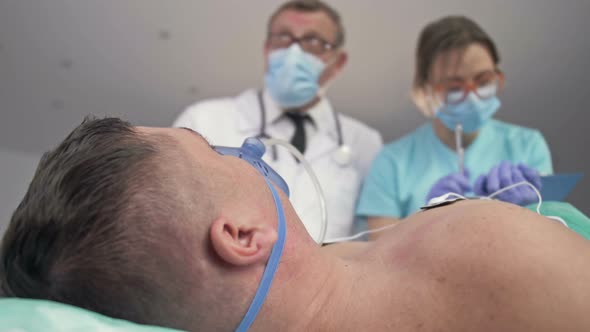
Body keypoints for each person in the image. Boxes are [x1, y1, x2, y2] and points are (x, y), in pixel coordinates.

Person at [2, 117, 590, 331]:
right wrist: (481, 224)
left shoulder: (342, 270)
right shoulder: (477, 249)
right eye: (213, 149)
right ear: (239, 236)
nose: (246, 149)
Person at [173, 0, 382, 242]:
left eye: (313, 42)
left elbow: (368, 243)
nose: (294, 53)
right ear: (267, 49)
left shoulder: (365, 143)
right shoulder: (203, 120)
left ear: (338, 63)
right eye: (283, 38)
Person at [356, 16, 553, 236]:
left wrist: (530, 212)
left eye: (484, 81)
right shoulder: (392, 162)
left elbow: (553, 242)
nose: (472, 96)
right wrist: (424, 224)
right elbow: (379, 256)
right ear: (424, 91)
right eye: (454, 87)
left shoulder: (527, 145)